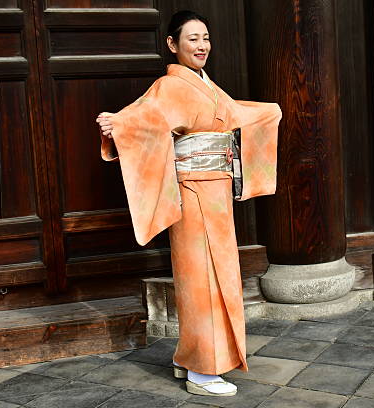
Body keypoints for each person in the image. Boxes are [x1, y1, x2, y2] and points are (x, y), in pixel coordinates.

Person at [96, 10, 281, 397]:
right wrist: (118, 124)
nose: (201, 46)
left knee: (219, 273)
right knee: (201, 279)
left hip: (215, 192)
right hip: (193, 190)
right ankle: (202, 369)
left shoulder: (207, 86)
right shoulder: (171, 86)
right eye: (193, 38)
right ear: (172, 44)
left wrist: (271, 111)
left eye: (206, 38)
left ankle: (188, 355)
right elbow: (145, 118)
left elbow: (233, 113)